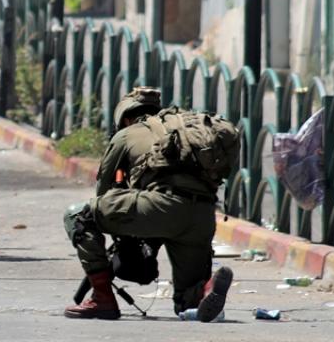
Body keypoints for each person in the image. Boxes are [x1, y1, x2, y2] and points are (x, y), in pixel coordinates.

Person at [64, 87, 234, 321]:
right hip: (201, 216)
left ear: (125, 117)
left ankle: (102, 299)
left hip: (158, 207)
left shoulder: (126, 134)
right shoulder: (180, 130)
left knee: (80, 217)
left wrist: (124, 241)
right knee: (187, 304)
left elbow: (102, 197)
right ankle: (207, 289)